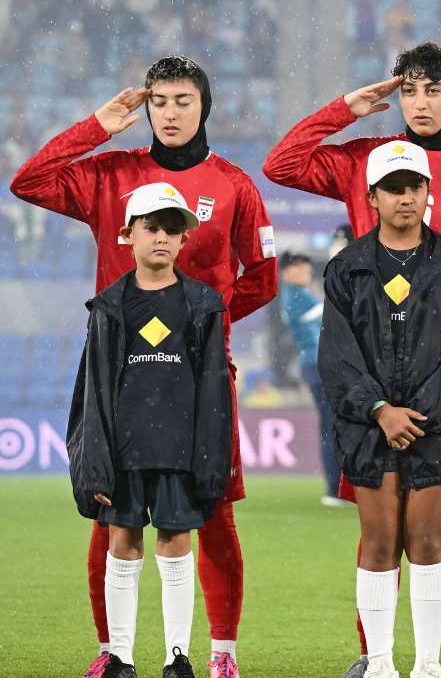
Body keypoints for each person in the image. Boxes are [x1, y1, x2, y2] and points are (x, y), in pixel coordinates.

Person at [264, 42, 441, 678]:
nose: (420, 101)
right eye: (408, 90)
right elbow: (282, 164)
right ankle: (373, 655)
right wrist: (345, 110)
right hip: (374, 375)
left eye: (433, 88)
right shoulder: (363, 159)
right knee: (379, 518)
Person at [10, 55, 277, 678]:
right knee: (110, 514)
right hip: (118, 373)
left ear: (203, 105)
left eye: (183, 100)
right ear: (146, 108)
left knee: (213, 512)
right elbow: (27, 180)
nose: (170, 112)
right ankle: (114, 652)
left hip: (202, 375)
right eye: (158, 101)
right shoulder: (110, 174)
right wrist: (97, 126)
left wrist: (204, 328)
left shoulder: (234, 185)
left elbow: (261, 276)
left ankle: (221, 653)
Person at [318, 140, 441, 678]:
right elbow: (337, 355)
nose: (405, 197)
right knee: (379, 540)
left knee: (429, 539)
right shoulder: (347, 269)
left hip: (438, 425)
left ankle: (429, 666)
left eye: (414, 186)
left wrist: (418, 414)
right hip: (369, 427)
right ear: (373, 197)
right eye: (393, 189)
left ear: (427, 192)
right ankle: (383, 664)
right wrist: (379, 410)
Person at [67, 182, 233, 678]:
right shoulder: (108, 307)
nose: (162, 237)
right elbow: (93, 391)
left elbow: (214, 392)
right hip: (123, 450)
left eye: (172, 229)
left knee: (177, 542)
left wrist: (210, 458)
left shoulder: (203, 304)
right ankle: (121, 656)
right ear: (127, 236)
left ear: (185, 240)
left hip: (179, 448)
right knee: (123, 542)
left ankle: (176, 657)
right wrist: (94, 459)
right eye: (151, 227)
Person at [278, 251, 341, 506]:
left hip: (313, 365)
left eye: (307, 268)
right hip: (320, 366)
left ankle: (335, 487)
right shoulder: (297, 296)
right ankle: (335, 488)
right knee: (332, 425)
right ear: (286, 272)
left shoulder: (292, 295)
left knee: (329, 426)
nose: (305, 272)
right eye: (299, 268)